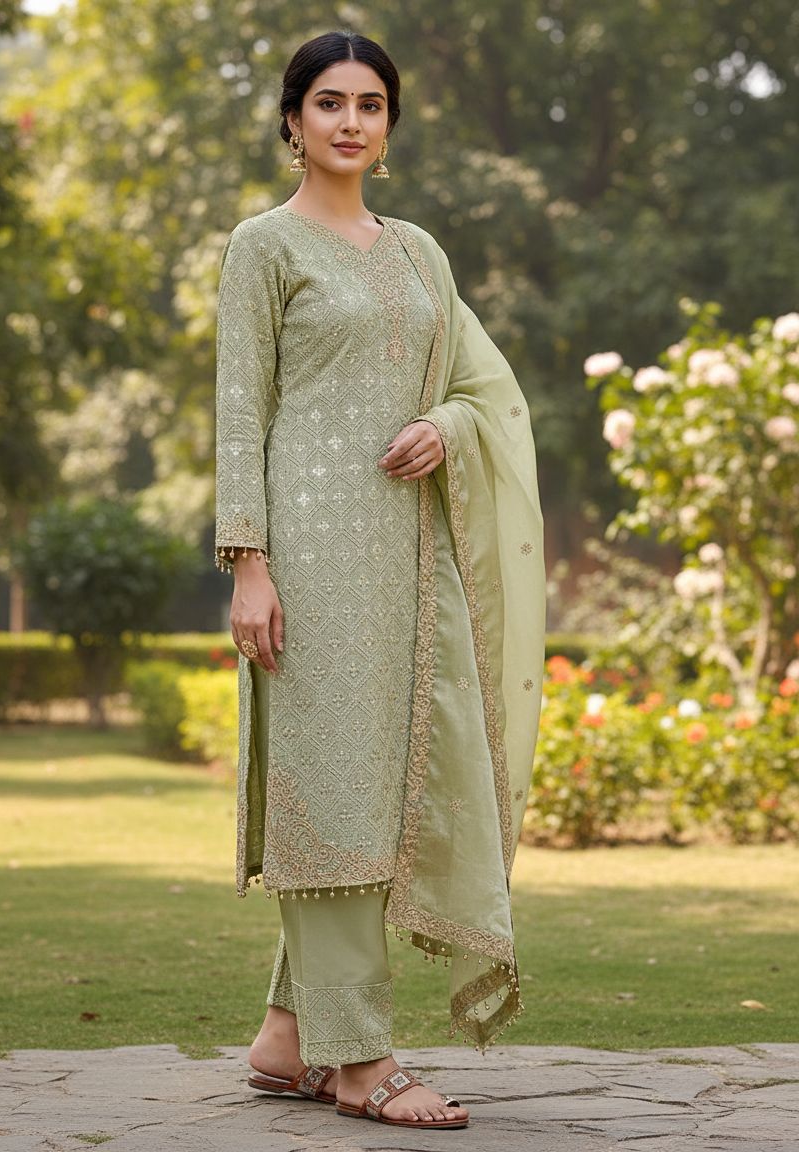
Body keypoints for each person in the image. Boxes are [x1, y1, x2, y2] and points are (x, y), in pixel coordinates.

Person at [213, 29, 545, 1132]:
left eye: (369, 104)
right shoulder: (263, 247)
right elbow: (240, 414)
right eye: (328, 102)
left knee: (373, 795)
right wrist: (248, 566)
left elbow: (479, 387)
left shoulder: (417, 253)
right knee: (329, 797)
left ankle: (288, 1036)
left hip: (407, 564)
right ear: (292, 120)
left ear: (388, 124)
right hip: (306, 565)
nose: (350, 121)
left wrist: (447, 426)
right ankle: (358, 1061)